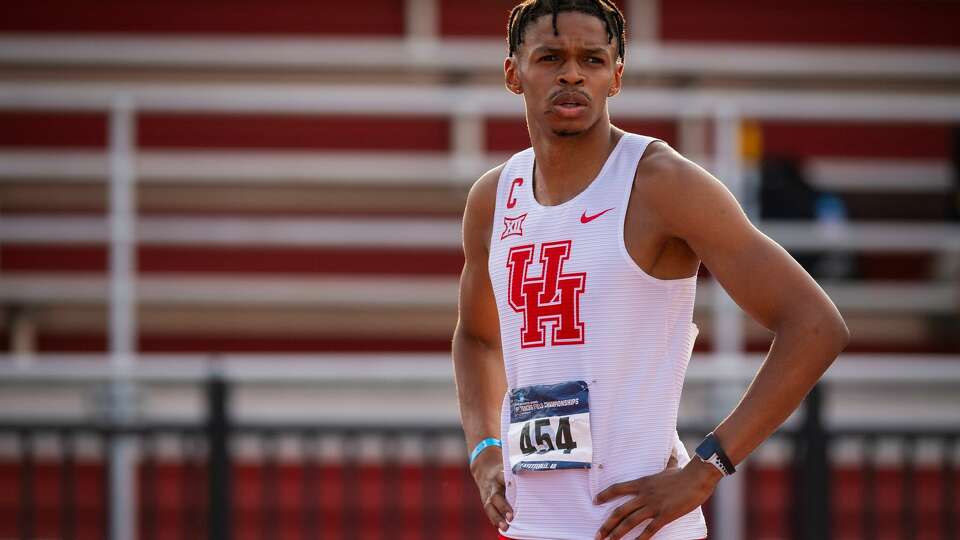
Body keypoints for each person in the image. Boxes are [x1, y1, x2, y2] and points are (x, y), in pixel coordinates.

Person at [451, 1, 850, 539]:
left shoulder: (662, 183)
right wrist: (484, 450)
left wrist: (709, 468)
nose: (571, 73)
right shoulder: (494, 197)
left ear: (616, 76)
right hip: (533, 522)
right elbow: (477, 339)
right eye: (549, 57)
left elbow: (815, 325)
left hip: (639, 526)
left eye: (591, 59)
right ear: (512, 72)